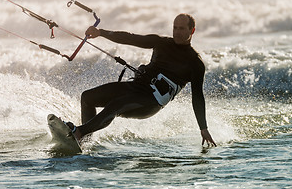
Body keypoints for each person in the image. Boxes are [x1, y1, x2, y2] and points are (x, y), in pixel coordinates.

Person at [70, 13, 216, 147]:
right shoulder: (161, 43)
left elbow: (197, 97)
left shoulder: (195, 63)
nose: (177, 32)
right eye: (175, 27)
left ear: (192, 31)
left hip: (151, 102)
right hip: (136, 87)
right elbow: (131, 38)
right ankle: (84, 143)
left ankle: (79, 132)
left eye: (182, 28)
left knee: (116, 104)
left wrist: (203, 128)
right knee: (87, 97)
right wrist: (101, 32)